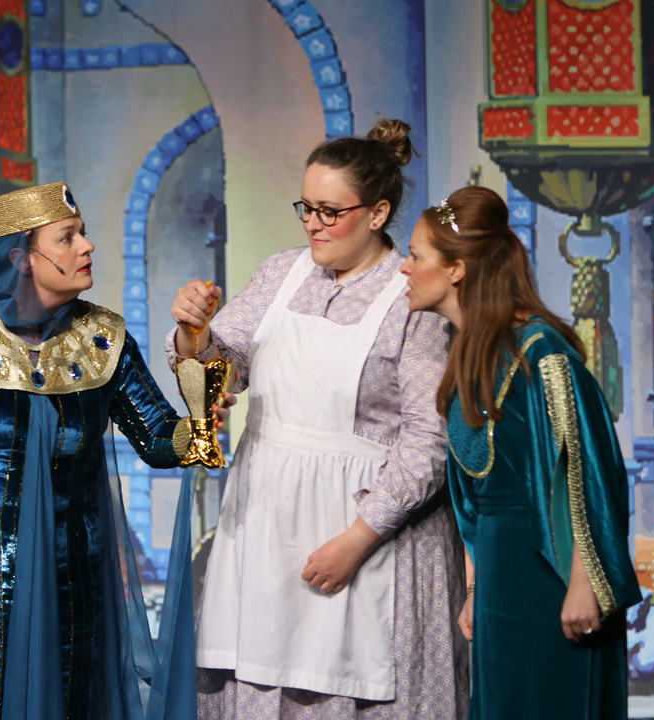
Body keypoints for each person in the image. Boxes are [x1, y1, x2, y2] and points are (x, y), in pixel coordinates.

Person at [0, 181, 233, 720]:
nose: (87, 246)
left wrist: (200, 425)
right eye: (67, 237)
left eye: (83, 233)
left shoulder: (103, 338)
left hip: (72, 567)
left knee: (70, 696)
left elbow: (156, 438)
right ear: (22, 258)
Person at [168, 119, 469, 719]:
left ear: (378, 213)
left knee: (353, 682)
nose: (312, 223)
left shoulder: (411, 297)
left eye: (331, 212)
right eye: (306, 207)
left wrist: (358, 540)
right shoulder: (281, 274)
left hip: (366, 533)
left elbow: (427, 443)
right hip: (265, 528)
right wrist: (192, 333)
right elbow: (223, 372)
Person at [402, 185, 641, 719]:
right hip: (501, 579)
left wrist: (584, 582)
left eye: (416, 256)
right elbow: (474, 498)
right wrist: (475, 587)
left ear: (456, 269)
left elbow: (589, 471)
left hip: (550, 577)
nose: (404, 268)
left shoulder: (541, 354)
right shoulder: (468, 359)